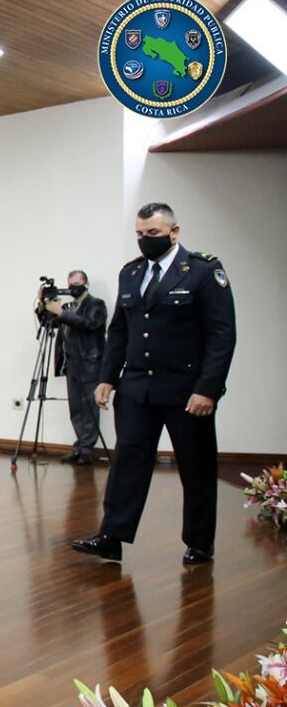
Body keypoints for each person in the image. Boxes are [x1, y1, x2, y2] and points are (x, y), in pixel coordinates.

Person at [73, 203, 235, 565]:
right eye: (141, 234)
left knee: (196, 468)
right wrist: (106, 378)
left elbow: (222, 336)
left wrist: (208, 388)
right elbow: (120, 331)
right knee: (127, 463)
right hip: (136, 389)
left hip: (186, 391)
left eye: (154, 234)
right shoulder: (131, 273)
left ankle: (199, 543)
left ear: (174, 232)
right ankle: (111, 536)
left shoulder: (204, 271)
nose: (146, 240)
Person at [41, 270, 107, 464]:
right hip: (71, 363)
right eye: (70, 285)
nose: (73, 288)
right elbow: (50, 324)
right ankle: (80, 447)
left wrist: (61, 312)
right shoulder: (68, 306)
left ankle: (87, 449)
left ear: (86, 283)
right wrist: (43, 304)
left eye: (77, 283)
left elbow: (89, 324)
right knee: (76, 407)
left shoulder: (96, 304)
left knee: (89, 408)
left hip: (90, 363)